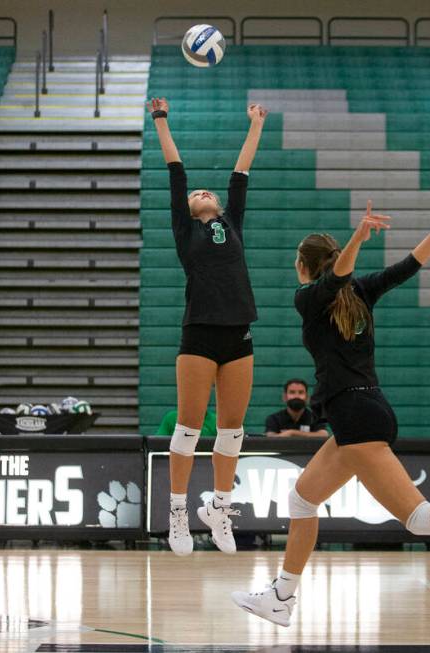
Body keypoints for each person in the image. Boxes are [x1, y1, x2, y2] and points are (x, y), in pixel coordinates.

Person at [231, 199, 430, 628]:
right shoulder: (358, 291)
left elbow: (345, 274)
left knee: (417, 518)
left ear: (304, 267)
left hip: (357, 416)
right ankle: (281, 596)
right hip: (357, 416)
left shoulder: (308, 297)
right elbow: (410, 264)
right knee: (301, 498)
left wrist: (360, 239)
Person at [150, 97, 267, 556]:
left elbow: (242, 170)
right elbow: (175, 168)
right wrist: (161, 119)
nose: (201, 191)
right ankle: (178, 512)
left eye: (207, 191)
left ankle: (219, 507)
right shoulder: (185, 229)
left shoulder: (231, 221)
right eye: (194, 192)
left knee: (233, 429)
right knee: (189, 427)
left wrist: (255, 124)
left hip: (238, 331)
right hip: (198, 332)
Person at [264, 379, 328, 437]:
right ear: (284, 397)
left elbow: (323, 434)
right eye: (292, 392)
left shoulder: (315, 417)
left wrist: (292, 433)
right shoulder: (273, 419)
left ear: (307, 397)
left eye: (301, 392)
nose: (296, 396)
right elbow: (270, 437)